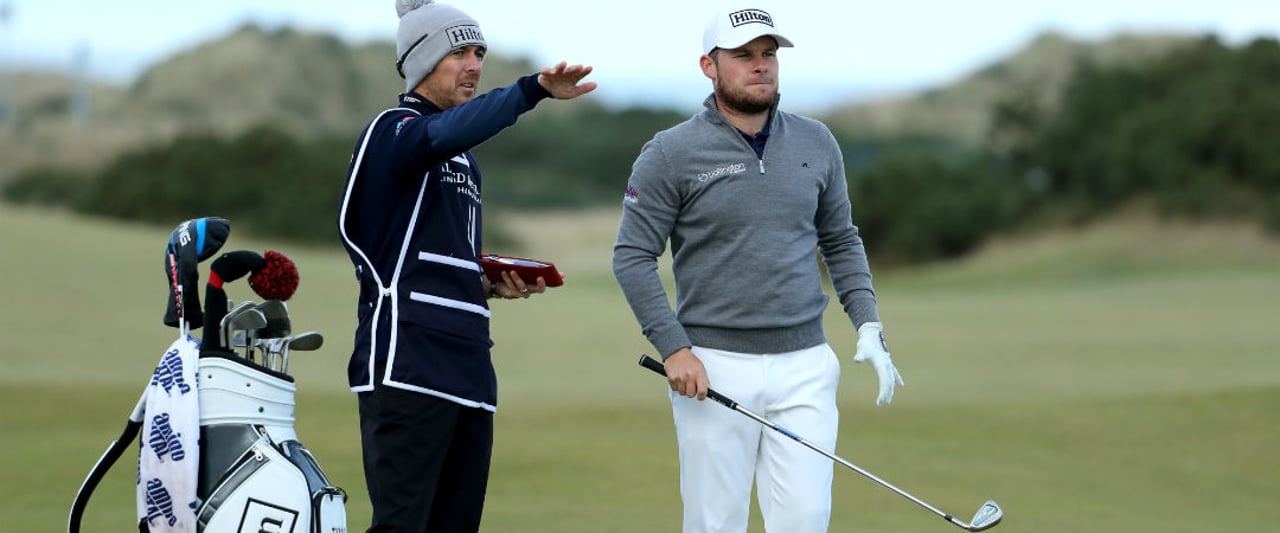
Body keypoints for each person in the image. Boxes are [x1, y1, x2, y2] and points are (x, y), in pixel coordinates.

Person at [611, 5, 903, 533]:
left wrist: (868, 324)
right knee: (715, 522)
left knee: (805, 519)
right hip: (712, 366)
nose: (760, 64)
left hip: (806, 364)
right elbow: (631, 255)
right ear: (709, 65)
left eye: (768, 53)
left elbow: (840, 240)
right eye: (743, 55)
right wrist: (674, 348)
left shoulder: (817, 141)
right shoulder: (670, 153)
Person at [336, 1, 595, 531]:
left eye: (479, 53)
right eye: (459, 53)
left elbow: (436, 256)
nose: (474, 65)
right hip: (408, 364)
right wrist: (532, 90)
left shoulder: (463, 160)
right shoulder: (395, 129)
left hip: (469, 371)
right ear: (421, 58)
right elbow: (445, 133)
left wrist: (489, 283)